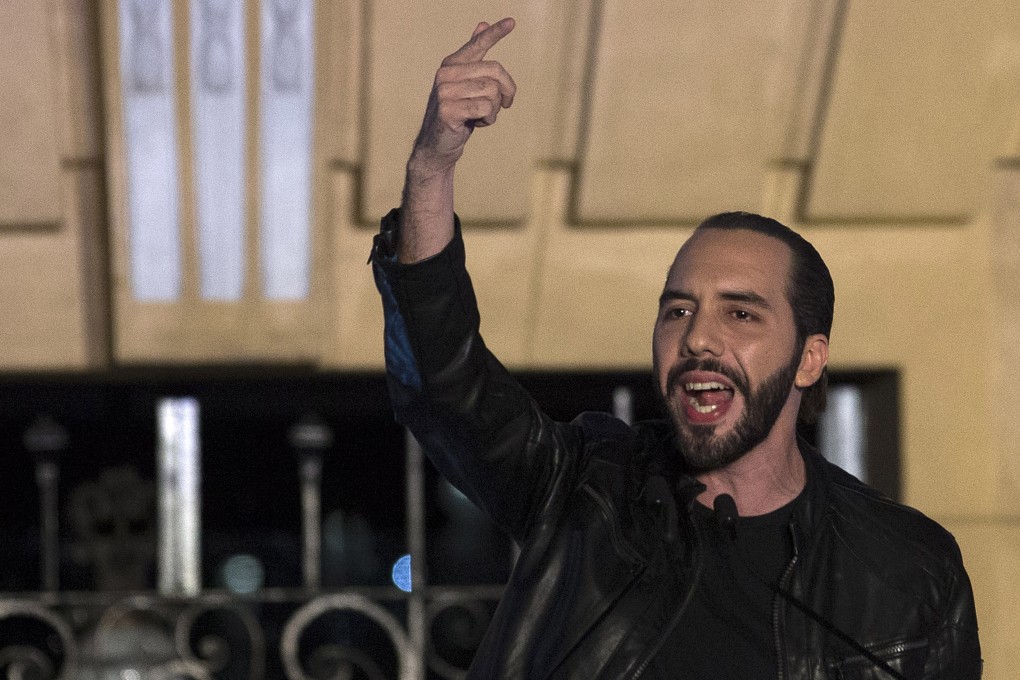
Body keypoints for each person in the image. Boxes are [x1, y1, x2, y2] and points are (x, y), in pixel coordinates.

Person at [370, 18, 982, 679]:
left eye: (741, 312)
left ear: (811, 357)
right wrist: (431, 167)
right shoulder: (582, 492)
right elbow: (443, 384)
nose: (696, 338)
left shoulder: (908, 569)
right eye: (678, 310)